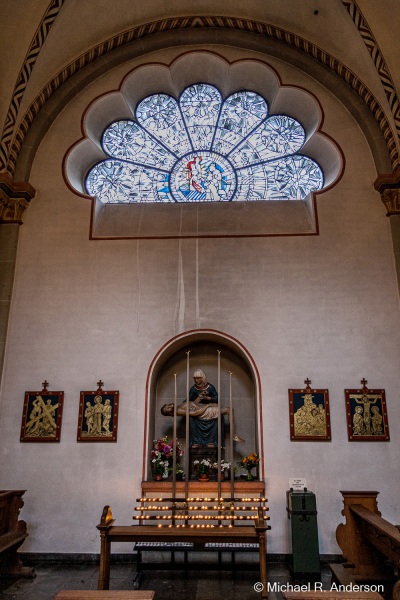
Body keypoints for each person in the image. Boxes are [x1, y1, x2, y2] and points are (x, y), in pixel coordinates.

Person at [161, 370, 245, 446]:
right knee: (229, 410)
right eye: (195, 378)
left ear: (202, 378)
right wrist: (207, 404)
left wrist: (203, 398)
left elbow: (195, 403)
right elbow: (192, 409)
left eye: (198, 378)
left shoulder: (210, 387)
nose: (196, 380)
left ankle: (232, 435)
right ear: (169, 413)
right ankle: (233, 435)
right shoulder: (189, 394)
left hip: (202, 409)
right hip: (203, 411)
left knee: (227, 411)